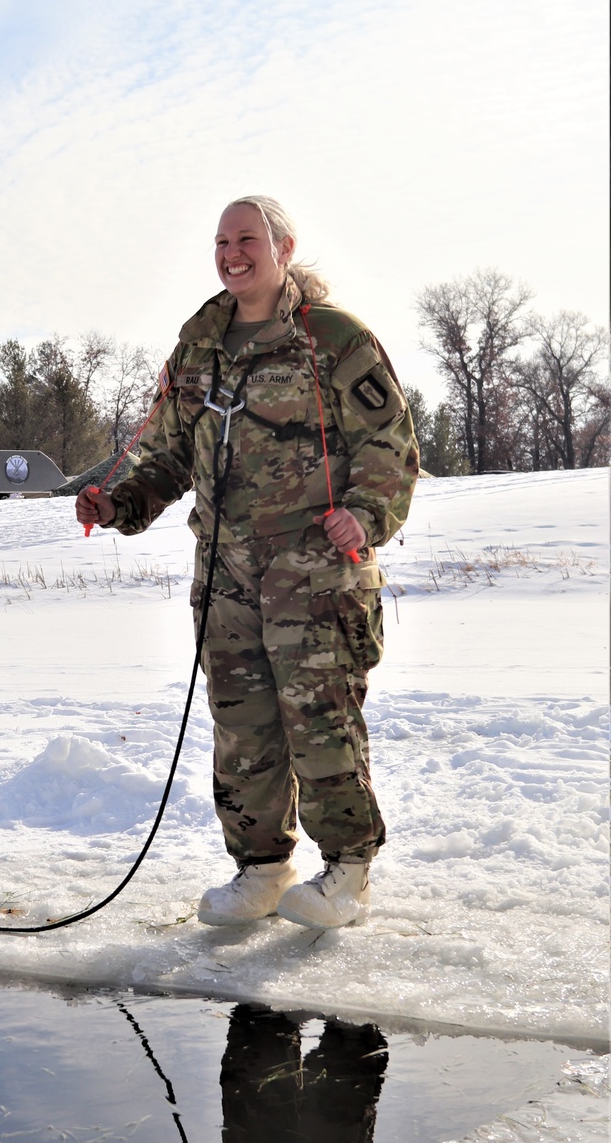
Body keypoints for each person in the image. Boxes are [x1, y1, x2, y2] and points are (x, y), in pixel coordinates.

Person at [76, 196, 418, 929]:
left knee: (318, 722)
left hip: (316, 572)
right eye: (222, 242)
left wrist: (364, 514)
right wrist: (119, 503)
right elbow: (166, 454)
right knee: (243, 727)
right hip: (226, 575)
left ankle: (349, 874)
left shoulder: (332, 337)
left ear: (284, 247)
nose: (233, 253)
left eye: (248, 239)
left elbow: (390, 442)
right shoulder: (198, 346)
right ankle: (261, 870)